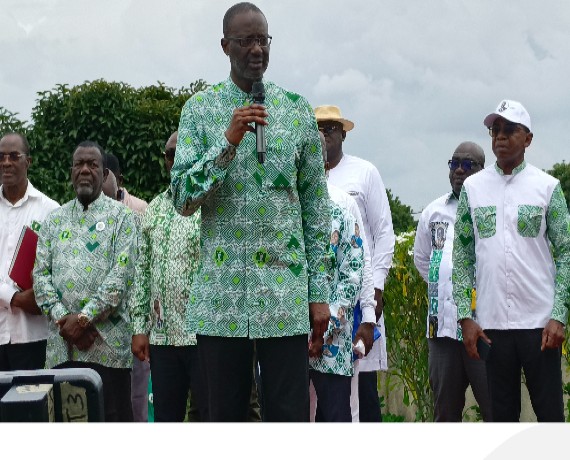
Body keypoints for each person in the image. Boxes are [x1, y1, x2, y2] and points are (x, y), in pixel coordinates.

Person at [170, 2, 331, 422]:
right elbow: (182, 199)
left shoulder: (296, 110)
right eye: (246, 41)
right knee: (224, 419)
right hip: (221, 300)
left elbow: (316, 209)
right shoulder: (199, 111)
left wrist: (319, 294)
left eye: (263, 39)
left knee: (289, 417)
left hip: (284, 295)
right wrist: (227, 142)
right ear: (225, 46)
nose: (256, 49)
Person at [453, 100, 570, 422]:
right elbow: (462, 255)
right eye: (495, 131)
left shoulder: (548, 188)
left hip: (540, 324)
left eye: (509, 130)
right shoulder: (474, 189)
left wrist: (558, 316)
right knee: (501, 418)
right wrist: (466, 317)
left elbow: (567, 252)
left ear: (528, 139)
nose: (500, 138)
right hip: (492, 325)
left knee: (549, 416)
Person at [34, 141, 138, 422]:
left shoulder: (123, 218)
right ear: (71, 172)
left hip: (106, 346)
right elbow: (40, 277)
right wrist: (64, 321)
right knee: (68, 429)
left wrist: (83, 319)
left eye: (93, 164)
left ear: (105, 174)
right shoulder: (53, 221)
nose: (85, 170)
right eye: (79, 164)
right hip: (62, 346)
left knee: (111, 427)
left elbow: (121, 277)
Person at [314, 105, 395, 422]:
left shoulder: (364, 173)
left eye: (330, 128)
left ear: (343, 133)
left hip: (357, 302)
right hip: (314, 312)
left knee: (360, 392)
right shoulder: (298, 181)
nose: (324, 134)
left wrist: (375, 290)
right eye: (318, 129)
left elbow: (382, 234)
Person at [129, 131, 207, 422]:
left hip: (203, 335)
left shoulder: (210, 204)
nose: (174, 160)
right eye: (169, 154)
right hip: (162, 338)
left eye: (181, 152)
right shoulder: (155, 209)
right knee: (166, 417)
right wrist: (140, 328)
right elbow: (142, 271)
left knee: (211, 417)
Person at [414, 141, 492, 422]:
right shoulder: (434, 211)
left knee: (494, 408)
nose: (459, 170)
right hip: (442, 329)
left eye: (467, 164)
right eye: (454, 163)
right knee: (445, 414)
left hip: (483, 327)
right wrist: (442, 285)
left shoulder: (490, 210)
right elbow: (423, 260)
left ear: (483, 170)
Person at [309, 132, 376, 422]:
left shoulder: (341, 207)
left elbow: (354, 270)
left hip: (332, 339)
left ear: (325, 165)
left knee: (335, 418)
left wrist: (325, 326)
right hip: (287, 339)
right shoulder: (282, 209)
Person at [0, 132, 59, 371]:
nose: (6, 163)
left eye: (14, 156)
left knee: (31, 406)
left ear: (28, 162)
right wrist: (12, 297)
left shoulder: (50, 211)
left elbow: (57, 272)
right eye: (1, 157)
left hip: (33, 335)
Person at [104, 151, 149, 422]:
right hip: (100, 325)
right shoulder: (83, 212)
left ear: (118, 179)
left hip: (133, 321)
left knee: (137, 397)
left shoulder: (141, 210)